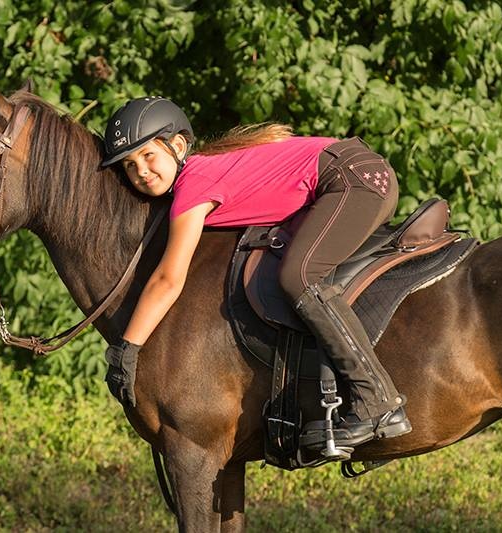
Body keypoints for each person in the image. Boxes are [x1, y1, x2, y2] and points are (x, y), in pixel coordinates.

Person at [100, 96, 411, 450]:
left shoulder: (193, 185)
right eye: (129, 165)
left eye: (148, 155)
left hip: (353, 179)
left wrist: (127, 348)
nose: (140, 171)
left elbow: (168, 279)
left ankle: (378, 403)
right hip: (350, 172)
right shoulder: (205, 170)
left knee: (299, 276)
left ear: (179, 145)